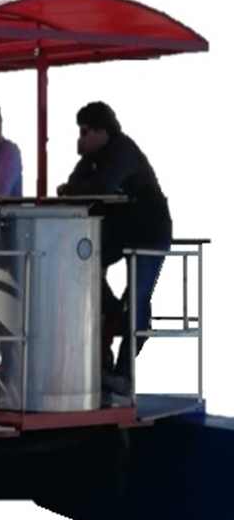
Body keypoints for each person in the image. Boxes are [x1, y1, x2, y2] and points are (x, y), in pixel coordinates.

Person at [58, 101, 172, 394]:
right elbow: (71, 186)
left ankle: (124, 373)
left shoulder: (123, 150)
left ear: (102, 131)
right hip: (121, 232)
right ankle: (112, 315)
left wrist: (75, 189)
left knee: (138, 297)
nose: (80, 139)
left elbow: (102, 187)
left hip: (150, 232)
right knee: (83, 268)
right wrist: (75, 186)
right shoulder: (92, 157)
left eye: (85, 132)